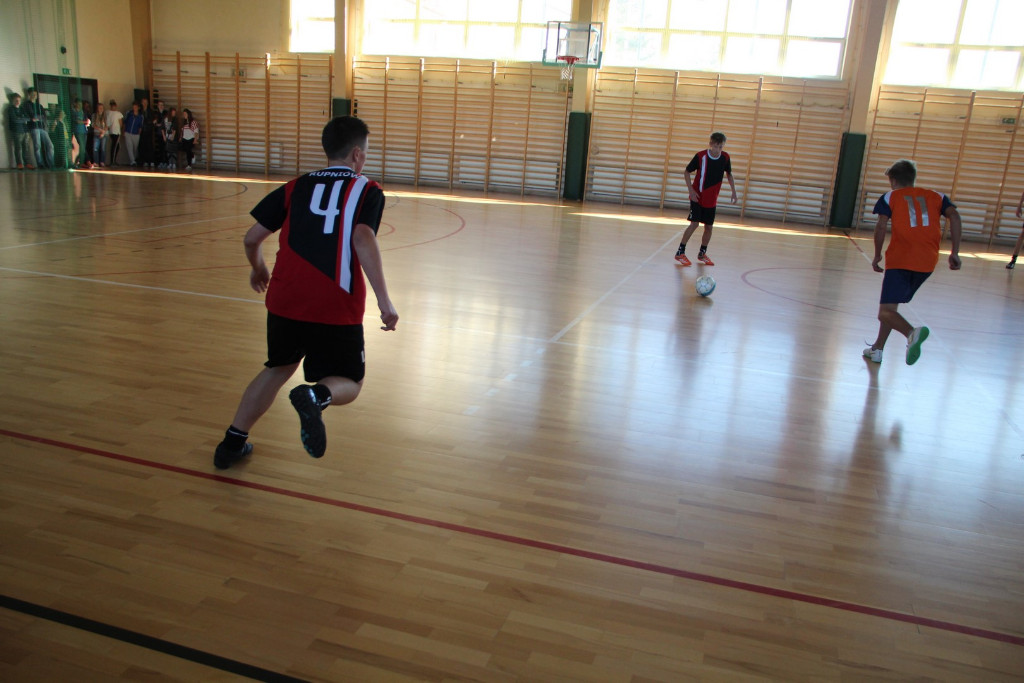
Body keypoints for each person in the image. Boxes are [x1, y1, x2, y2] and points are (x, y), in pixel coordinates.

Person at [213, 115, 399, 470]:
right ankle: (316, 396)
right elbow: (362, 237)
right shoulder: (367, 190)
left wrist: (259, 268)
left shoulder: (295, 186)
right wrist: (384, 301)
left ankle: (231, 445)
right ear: (357, 155)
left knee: (278, 367)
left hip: (285, 299)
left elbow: (252, 238)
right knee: (350, 382)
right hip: (335, 302)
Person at [863, 159, 962, 366]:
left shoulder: (890, 197)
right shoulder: (937, 196)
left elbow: (881, 226)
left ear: (893, 180)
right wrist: (955, 252)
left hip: (900, 259)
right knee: (891, 307)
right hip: (927, 263)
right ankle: (877, 349)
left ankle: (911, 333)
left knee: (885, 312)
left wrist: (877, 254)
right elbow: (954, 217)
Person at [674, 131, 737, 266]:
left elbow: (729, 174)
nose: (718, 150)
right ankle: (680, 252)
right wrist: (691, 191)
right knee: (694, 223)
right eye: (715, 146)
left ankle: (702, 253)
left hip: (712, 199)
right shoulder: (701, 156)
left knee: (709, 227)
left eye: (720, 147)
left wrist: (734, 192)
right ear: (710, 144)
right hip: (697, 196)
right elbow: (687, 172)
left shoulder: (725, 157)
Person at [23, 88, 54, 169]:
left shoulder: (39, 106)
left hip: (42, 127)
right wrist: (37, 117)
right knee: (37, 146)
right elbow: (32, 116)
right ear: (29, 95)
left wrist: (37, 118)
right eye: (32, 94)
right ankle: (40, 164)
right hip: (34, 127)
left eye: (35, 94)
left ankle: (51, 164)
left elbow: (44, 116)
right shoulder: (27, 105)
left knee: (50, 145)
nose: (34, 96)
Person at [7, 93, 34, 169]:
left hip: (25, 130)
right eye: (16, 100)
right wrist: (23, 119)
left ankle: (27, 163)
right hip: (16, 130)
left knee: (26, 148)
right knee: (18, 148)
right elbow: (15, 120)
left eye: (19, 100)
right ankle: (19, 163)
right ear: (12, 100)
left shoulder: (22, 108)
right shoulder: (11, 109)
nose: (18, 102)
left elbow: (28, 118)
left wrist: (21, 119)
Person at [122, 101, 143, 166]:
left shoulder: (141, 116)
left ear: (138, 108)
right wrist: (124, 131)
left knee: (135, 148)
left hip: (136, 134)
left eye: (136, 107)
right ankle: (132, 161)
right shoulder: (129, 113)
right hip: (128, 132)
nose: (134, 108)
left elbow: (140, 126)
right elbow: (125, 122)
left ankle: (135, 159)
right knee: (129, 147)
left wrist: (139, 133)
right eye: (133, 107)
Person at [71, 98, 88, 168]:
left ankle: (80, 162)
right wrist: (85, 122)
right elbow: (78, 121)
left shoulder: (82, 112)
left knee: (83, 148)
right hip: (78, 131)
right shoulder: (73, 111)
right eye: (78, 103)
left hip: (84, 131)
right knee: (81, 148)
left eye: (80, 104)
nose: (79, 105)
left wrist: (86, 123)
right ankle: (78, 163)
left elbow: (84, 121)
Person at [105, 99, 123, 166]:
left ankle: (114, 160)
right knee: (115, 146)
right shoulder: (117, 113)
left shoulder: (108, 113)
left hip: (112, 131)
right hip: (115, 131)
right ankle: (112, 161)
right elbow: (120, 123)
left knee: (116, 146)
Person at [91, 101, 108, 167]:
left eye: (102, 108)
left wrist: (103, 132)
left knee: (103, 148)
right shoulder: (94, 115)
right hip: (97, 133)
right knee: (95, 148)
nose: (101, 109)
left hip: (104, 134)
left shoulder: (105, 116)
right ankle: (96, 162)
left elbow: (107, 125)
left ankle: (102, 162)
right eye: (99, 108)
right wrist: (100, 130)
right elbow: (93, 124)